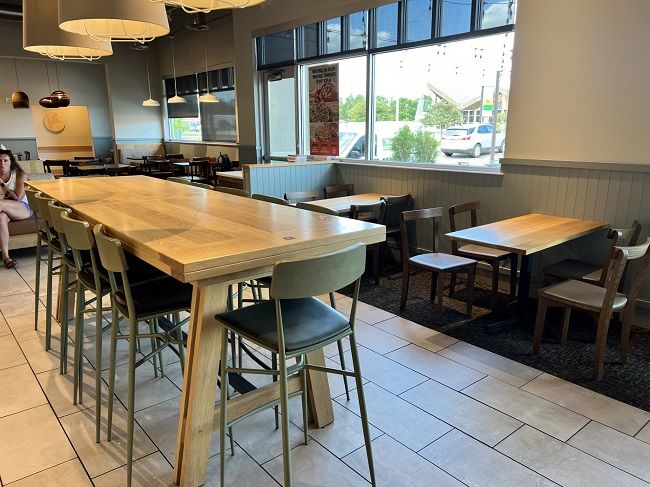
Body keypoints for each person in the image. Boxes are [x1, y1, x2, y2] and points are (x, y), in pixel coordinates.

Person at [0, 149, 31, 268]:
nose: (2, 163)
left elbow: (17, 198)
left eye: (5, 161)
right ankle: (6, 257)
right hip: (3, 210)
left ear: (11, 162)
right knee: (1, 218)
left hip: (22, 208)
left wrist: (2, 185)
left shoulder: (20, 175)